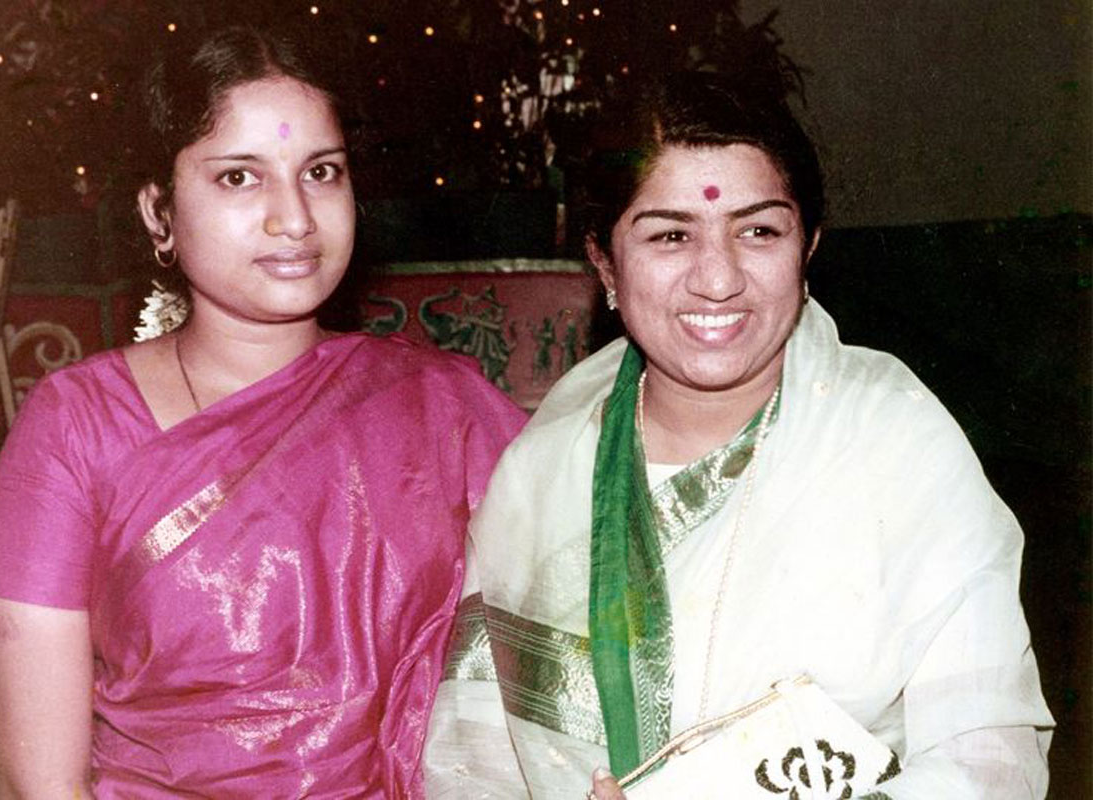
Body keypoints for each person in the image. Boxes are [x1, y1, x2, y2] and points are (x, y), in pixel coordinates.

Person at [423, 69, 1052, 799]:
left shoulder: (896, 443)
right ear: (604, 263)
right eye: (671, 235)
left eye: (758, 231)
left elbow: (990, 756)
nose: (718, 279)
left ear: (807, 247)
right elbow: (476, 762)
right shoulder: (543, 474)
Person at [0, 26, 526, 797]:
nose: (294, 218)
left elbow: (586, 618)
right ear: (158, 214)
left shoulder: (444, 408)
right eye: (239, 178)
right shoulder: (76, 428)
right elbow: (38, 786)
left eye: (321, 172)